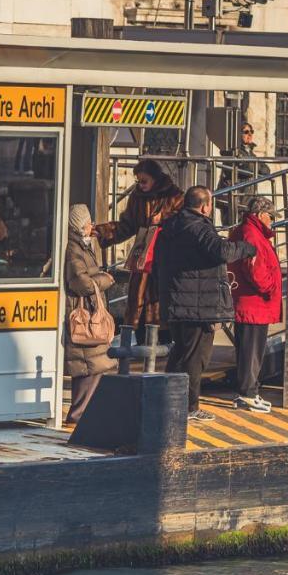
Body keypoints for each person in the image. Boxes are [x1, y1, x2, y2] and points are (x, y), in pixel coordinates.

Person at [155, 185, 256, 422]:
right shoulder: (199, 227)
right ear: (205, 206)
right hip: (197, 307)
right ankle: (189, 407)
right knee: (196, 359)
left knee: (179, 354)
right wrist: (248, 248)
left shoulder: (170, 227)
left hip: (175, 301)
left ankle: (167, 402)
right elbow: (222, 251)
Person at [94, 158, 184, 329]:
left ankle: (162, 339)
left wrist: (164, 218)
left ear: (155, 179)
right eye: (138, 181)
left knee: (161, 302)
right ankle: (138, 337)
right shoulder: (137, 197)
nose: (140, 185)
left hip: (165, 257)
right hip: (142, 256)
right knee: (137, 303)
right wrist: (103, 231)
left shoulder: (174, 196)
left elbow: (186, 224)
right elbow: (127, 225)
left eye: (144, 181)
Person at [228, 196, 282, 413]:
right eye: (271, 217)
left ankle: (248, 392)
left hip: (251, 304)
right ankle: (247, 394)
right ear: (260, 215)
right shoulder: (252, 234)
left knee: (248, 350)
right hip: (254, 304)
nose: (272, 221)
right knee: (251, 351)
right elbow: (255, 270)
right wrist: (270, 287)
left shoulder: (248, 231)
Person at [63, 204, 115, 425]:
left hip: (89, 311)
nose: (91, 225)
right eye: (88, 222)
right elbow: (82, 284)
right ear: (78, 226)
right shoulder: (74, 251)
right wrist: (106, 279)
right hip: (84, 314)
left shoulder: (82, 246)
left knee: (93, 367)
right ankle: (78, 416)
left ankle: (83, 414)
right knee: (88, 367)